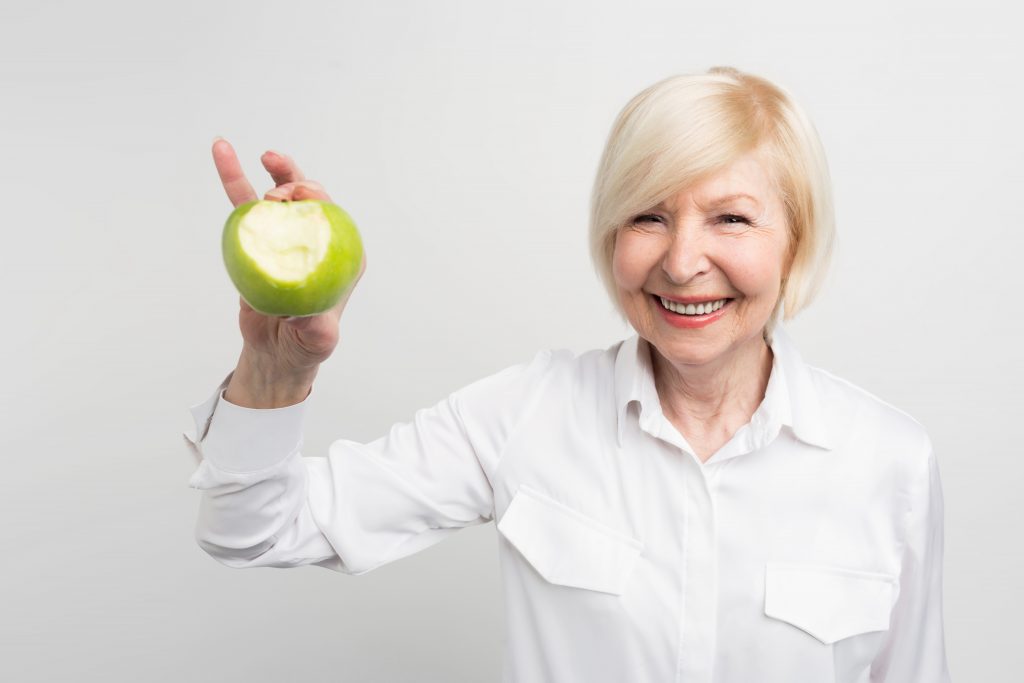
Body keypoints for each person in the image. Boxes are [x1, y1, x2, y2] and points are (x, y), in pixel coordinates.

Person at [184, 66, 951, 682]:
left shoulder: (889, 460)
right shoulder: (528, 411)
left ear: (796, 242)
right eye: (648, 215)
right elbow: (252, 529)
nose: (683, 262)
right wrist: (275, 368)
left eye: (732, 218)